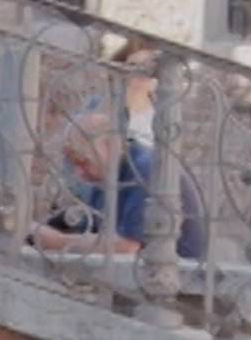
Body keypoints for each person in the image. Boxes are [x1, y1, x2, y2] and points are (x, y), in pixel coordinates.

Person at [30, 106, 205, 262]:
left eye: (84, 162)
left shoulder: (146, 169)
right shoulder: (108, 175)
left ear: (112, 145)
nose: (79, 173)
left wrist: (53, 240)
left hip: (177, 283)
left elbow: (126, 247)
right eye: (74, 164)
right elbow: (90, 233)